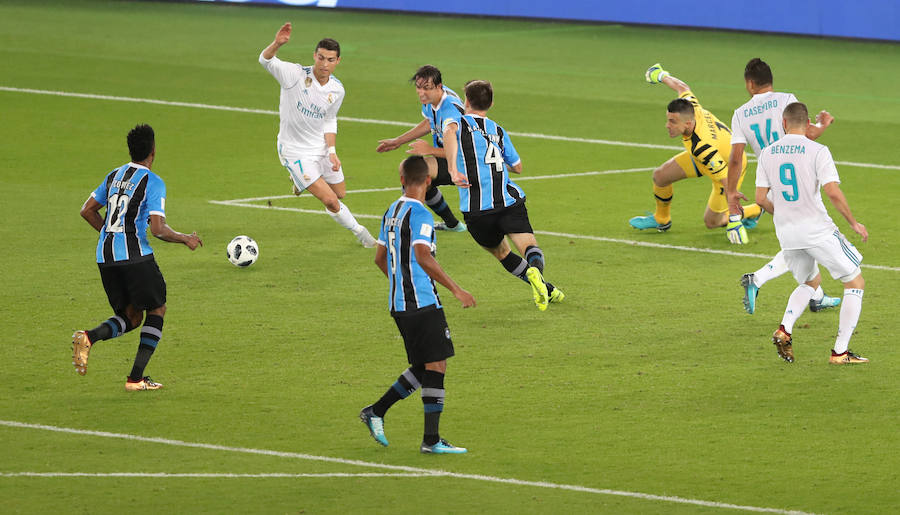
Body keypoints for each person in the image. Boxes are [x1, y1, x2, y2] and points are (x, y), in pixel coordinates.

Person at [72, 124, 203, 390]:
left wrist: (110, 234)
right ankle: (135, 379)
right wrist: (185, 238)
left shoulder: (113, 175)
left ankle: (88, 337)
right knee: (157, 308)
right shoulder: (153, 182)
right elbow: (158, 229)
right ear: (153, 151)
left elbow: (87, 211)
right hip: (135, 256)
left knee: (131, 317)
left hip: (105, 257)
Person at [360, 155, 475, 454]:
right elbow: (423, 255)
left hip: (399, 304)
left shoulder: (391, 211)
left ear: (402, 179)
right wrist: (456, 289)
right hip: (422, 303)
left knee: (425, 365)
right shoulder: (422, 215)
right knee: (435, 365)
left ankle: (377, 411)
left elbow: (379, 258)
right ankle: (431, 440)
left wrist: (400, 283)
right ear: (428, 181)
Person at [754, 102, 868, 365]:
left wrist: (783, 214)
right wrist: (853, 222)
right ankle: (840, 352)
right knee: (855, 282)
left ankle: (785, 329)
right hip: (817, 230)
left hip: (787, 234)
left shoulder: (768, 153)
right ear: (807, 125)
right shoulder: (818, 150)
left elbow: (761, 198)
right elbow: (832, 191)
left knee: (810, 282)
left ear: (783, 123)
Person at [725, 58, 839, 314]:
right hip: (797, 177)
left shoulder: (740, 114)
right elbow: (807, 134)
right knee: (807, 236)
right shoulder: (787, 99)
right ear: (770, 81)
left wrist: (731, 193)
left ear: (750, 83)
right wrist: (824, 124)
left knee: (800, 237)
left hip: (772, 181)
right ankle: (757, 279)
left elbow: (735, 158)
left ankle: (817, 295)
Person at [443, 80, 564, 311]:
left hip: (477, 211)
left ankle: (545, 288)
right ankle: (539, 277)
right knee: (529, 248)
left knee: (502, 252)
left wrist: (452, 168)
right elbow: (517, 166)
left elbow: (448, 133)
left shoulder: (456, 122)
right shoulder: (497, 129)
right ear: (491, 103)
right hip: (509, 202)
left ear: (466, 101)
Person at [259, 22, 375, 248]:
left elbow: (330, 120)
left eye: (330, 60)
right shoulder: (293, 74)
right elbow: (265, 60)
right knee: (330, 201)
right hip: (294, 151)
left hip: (320, 148)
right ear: (314, 56)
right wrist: (277, 43)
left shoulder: (337, 89)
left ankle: (299, 179)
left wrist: (332, 152)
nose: (324, 64)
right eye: (321, 58)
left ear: (338, 61)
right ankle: (362, 234)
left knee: (339, 194)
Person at [630, 63, 762, 234]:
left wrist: (735, 218)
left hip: (730, 167)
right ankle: (662, 220)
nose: (667, 126)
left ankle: (756, 210)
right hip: (710, 157)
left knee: (713, 222)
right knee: (660, 177)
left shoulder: (702, 147)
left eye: (672, 122)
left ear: (688, 123)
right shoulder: (692, 106)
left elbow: (727, 182)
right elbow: (682, 87)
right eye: (668, 120)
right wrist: (660, 75)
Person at [376, 65, 467, 232]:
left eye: (427, 88)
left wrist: (429, 150)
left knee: (412, 171)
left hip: (464, 162)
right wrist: (398, 141)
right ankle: (452, 224)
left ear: (439, 87)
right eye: (419, 87)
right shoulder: (433, 99)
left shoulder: (450, 112)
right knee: (416, 172)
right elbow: (429, 122)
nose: (421, 92)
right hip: (448, 157)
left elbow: (459, 150)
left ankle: (410, 221)